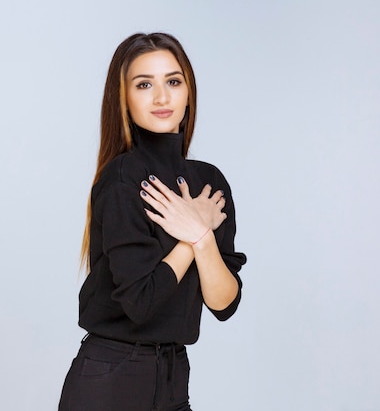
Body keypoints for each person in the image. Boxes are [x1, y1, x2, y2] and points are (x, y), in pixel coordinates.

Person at [58, 32, 247, 411]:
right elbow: (141, 303)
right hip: (111, 379)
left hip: (174, 375)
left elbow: (224, 303)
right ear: (124, 99)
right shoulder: (122, 179)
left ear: (188, 91)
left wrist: (203, 239)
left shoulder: (209, 182)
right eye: (144, 84)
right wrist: (192, 235)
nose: (162, 97)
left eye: (173, 82)